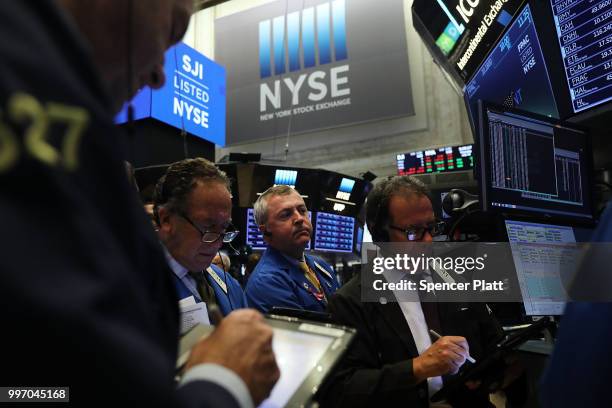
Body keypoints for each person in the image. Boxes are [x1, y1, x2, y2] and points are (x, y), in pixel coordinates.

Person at [0, 1, 278, 406]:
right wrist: (221, 385)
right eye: (172, 31)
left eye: (223, 228)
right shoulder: (29, 85)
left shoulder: (63, 112)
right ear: (165, 219)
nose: (158, 75)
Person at [321, 176, 503, 407]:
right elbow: (344, 389)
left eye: (431, 228)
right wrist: (417, 368)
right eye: (413, 232)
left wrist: (488, 372)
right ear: (380, 235)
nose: (428, 241)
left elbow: (495, 345)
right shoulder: (350, 301)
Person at [154, 158, 248, 316]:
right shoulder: (133, 288)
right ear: (166, 219)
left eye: (224, 228)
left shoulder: (227, 283)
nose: (217, 244)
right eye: (208, 227)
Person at [245, 185, 340, 313]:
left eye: (302, 210)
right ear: (266, 231)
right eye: (286, 215)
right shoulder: (267, 281)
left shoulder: (321, 265)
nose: (299, 218)